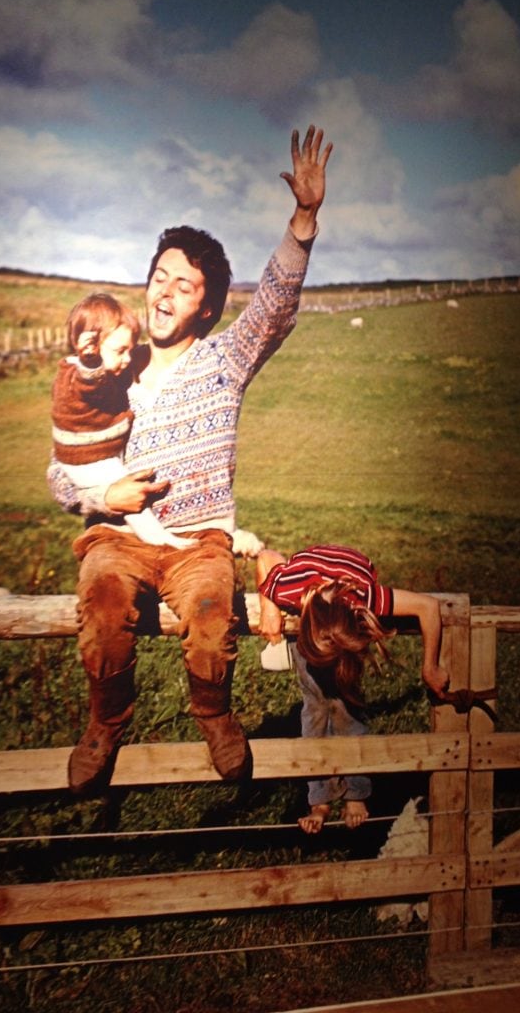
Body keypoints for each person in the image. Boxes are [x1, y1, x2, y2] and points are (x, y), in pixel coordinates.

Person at [47, 125, 333, 797]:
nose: (164, 291)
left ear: (206, 303)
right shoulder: (110, 371)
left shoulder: (224, 363)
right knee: (103, 596)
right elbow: (62, 469)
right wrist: (101, 498)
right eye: (158, 277)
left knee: (211, 611)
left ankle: (213, 714)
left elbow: (273, 305)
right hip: (122, 540)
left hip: (198, 544)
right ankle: (106, 723)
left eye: (184, 283)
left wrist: (303, 220)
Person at [256, 543, 450, 834]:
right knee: (315, 707)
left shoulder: (367, 598)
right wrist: (268, 606)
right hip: (311, 602)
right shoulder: (289, 590)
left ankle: (356, 793)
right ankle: (319, 800)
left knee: (346, 706)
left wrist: (430, 667)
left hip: (347, 597)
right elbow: (266, 557)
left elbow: (428, 606)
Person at [51, 291, 196, 550]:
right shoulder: (80, 374)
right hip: (86, 457)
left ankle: (149, 534)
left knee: (125, 484)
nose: (127, 359)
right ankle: (158, 538)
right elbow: (90, 384)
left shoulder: (87, 372)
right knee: (128, 490)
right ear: (90, 349)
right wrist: (91, 361)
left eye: (130, 350)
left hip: (91, 452)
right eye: (120, 351)